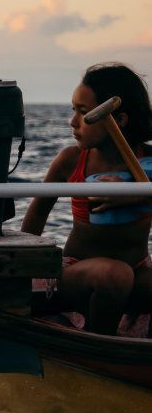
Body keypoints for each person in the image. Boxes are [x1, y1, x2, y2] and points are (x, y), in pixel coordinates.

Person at [22, 63, 152, 334]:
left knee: (126, 275)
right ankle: (99, 345)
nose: (72, 122)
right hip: (78, 273)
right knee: (114, 275)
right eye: (73, 110)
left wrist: (137, 195)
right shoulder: (71, 160)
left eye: (83, 113)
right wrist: (24, 268)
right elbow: (38, 212)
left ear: (119, 120)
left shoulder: (147, 162)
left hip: (137, 269)